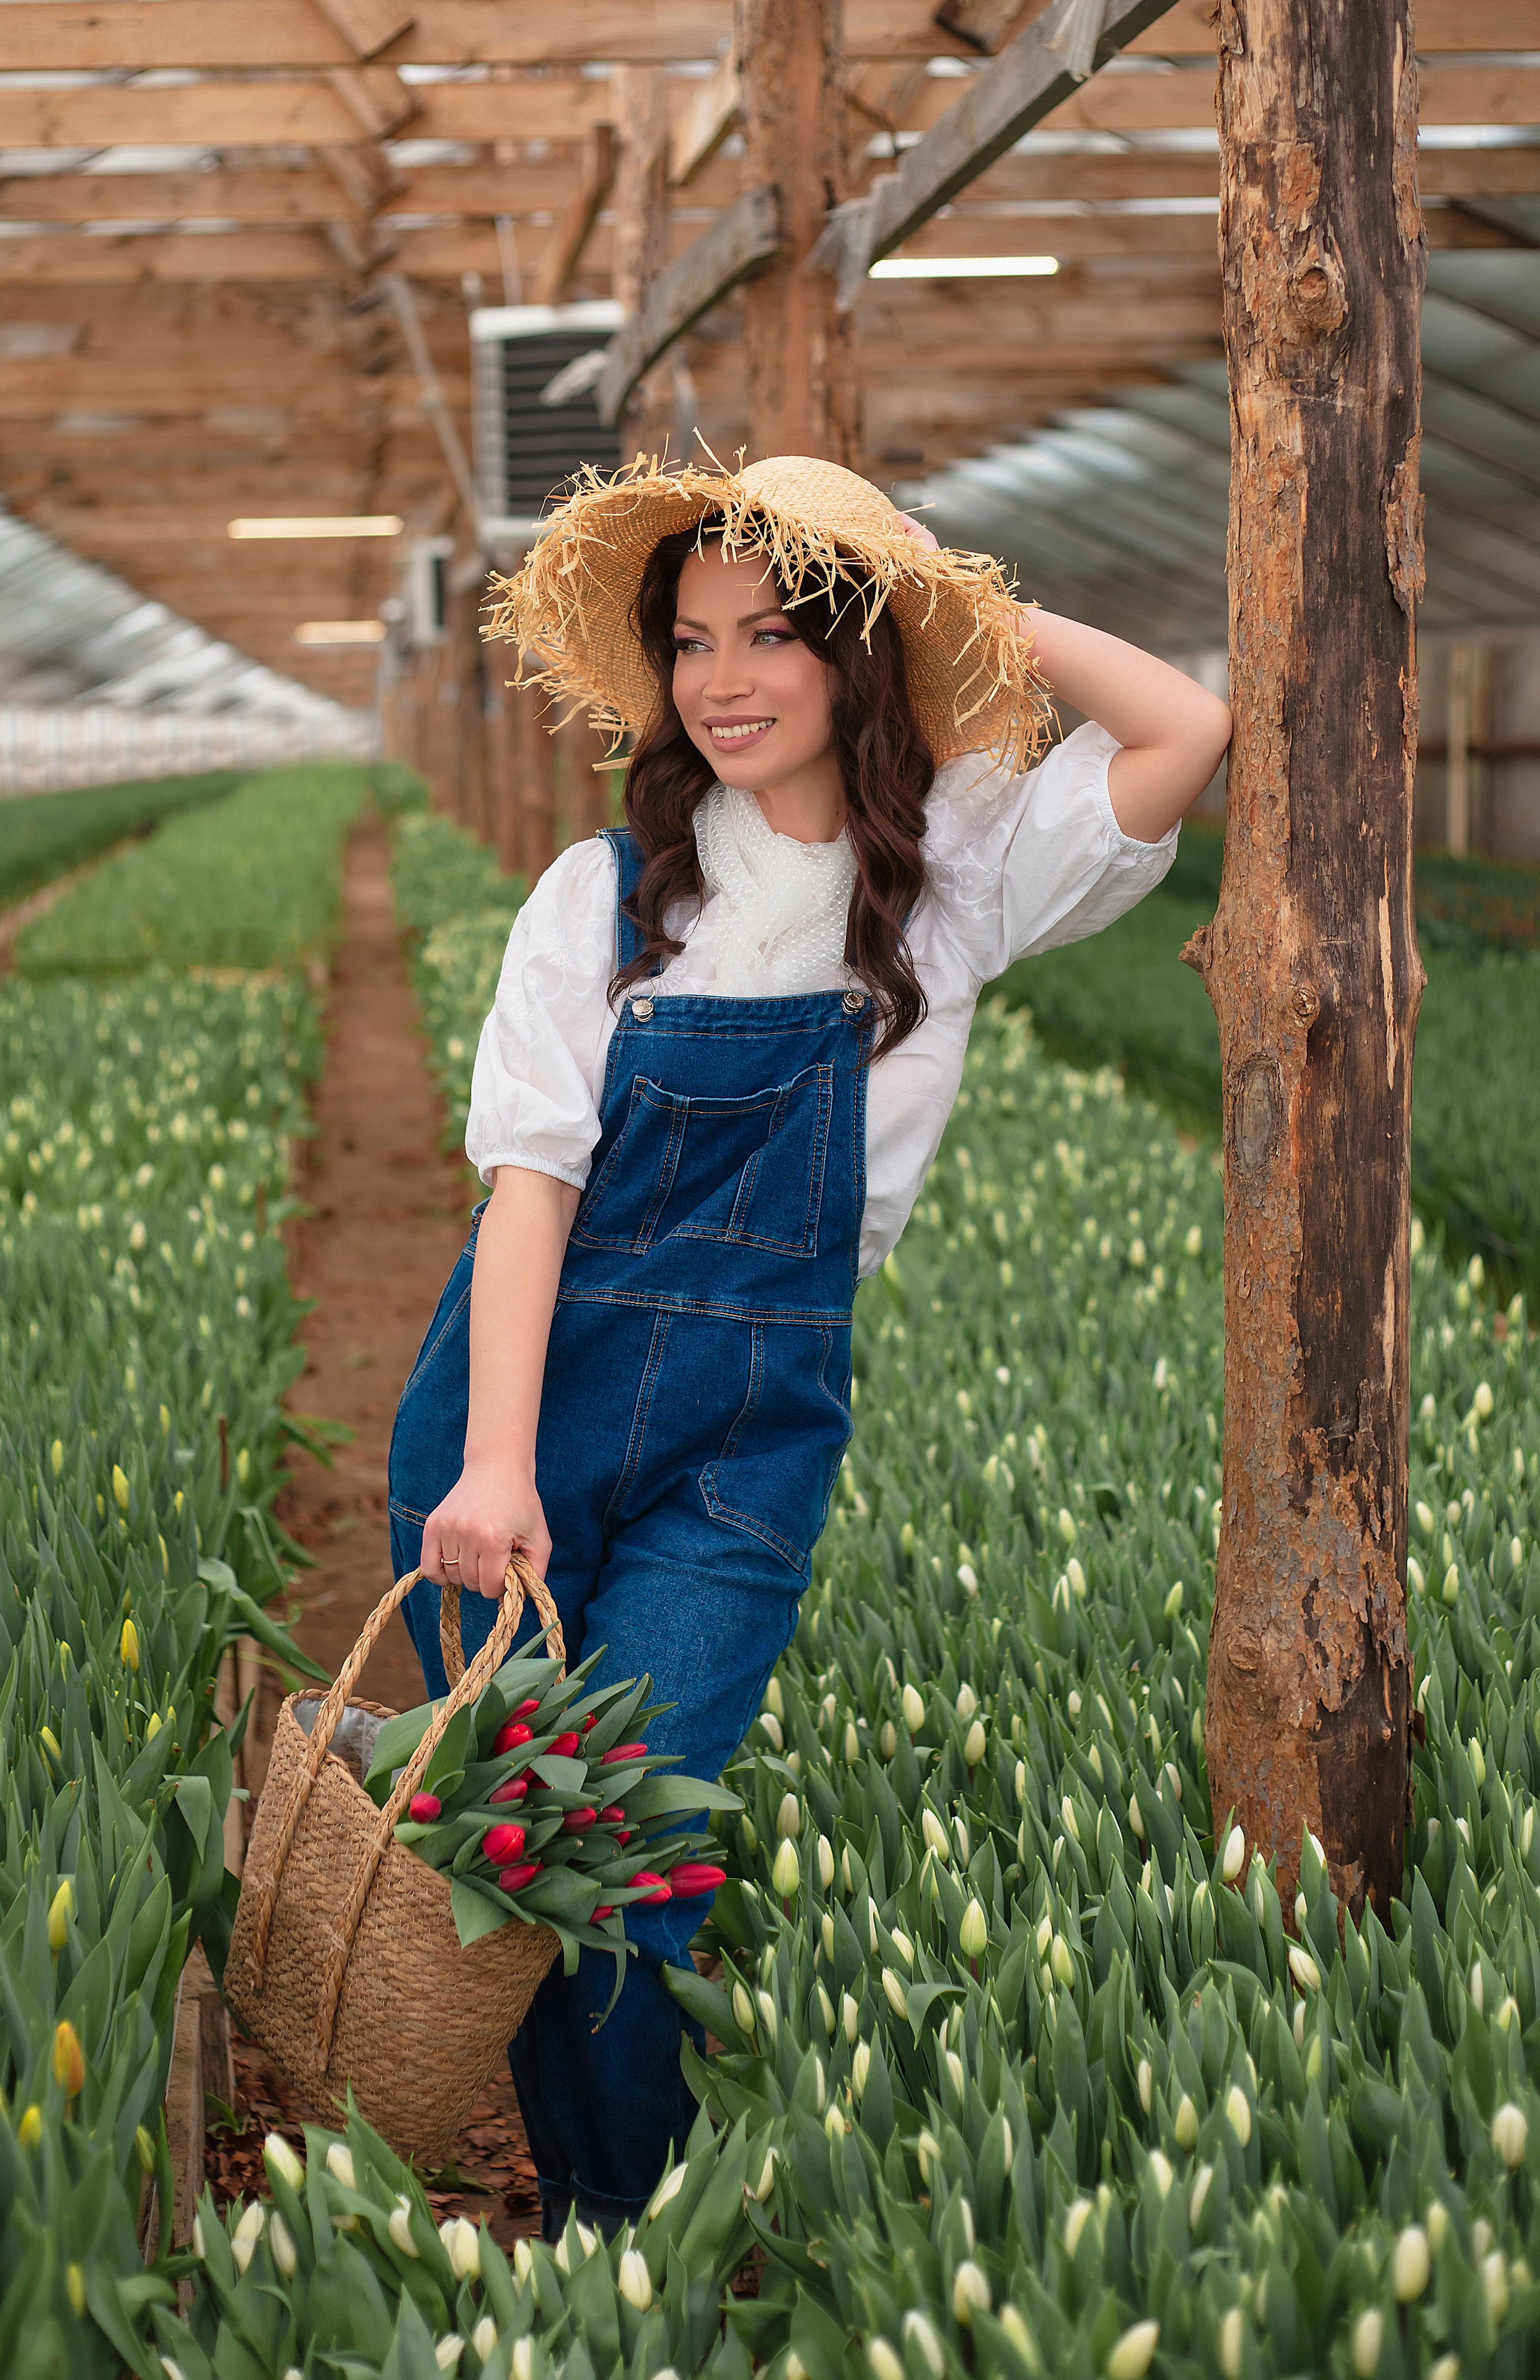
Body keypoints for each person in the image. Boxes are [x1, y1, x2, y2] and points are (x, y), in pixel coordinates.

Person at [385, 454, 1231, 2239]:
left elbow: (1183, 733)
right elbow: (530, 1193)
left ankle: (633, 2229)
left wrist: (951, 591)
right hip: (520, 1400)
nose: (724, 678)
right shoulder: (602, 898)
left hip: (749, 1433)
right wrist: (491, 1464)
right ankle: (586, 2225)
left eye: (775, 631)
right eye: (690, 642)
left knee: (637, 1858)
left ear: (859, 657)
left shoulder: (957, 881)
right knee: (524, 1846)